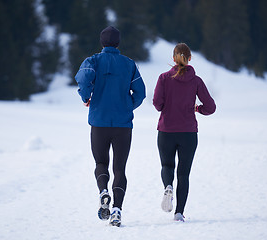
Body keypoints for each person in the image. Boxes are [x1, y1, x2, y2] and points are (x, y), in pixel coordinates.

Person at [75, 26, 146, 227]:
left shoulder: (93, 61)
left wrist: (86, 96)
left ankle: (103, 191)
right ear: (118, 43)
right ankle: (116, 211)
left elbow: (82, 78)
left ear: (102, 42)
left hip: (99, 122)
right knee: (120, 169)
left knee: (100, 163)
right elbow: (140, 92)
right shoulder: (129, 64)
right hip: (123, 125)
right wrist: (127, 106)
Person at [153, 43, 216, 221]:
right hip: (188, 133)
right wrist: (197, 109)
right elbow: (211, 107)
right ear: (189, 59)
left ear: (173, 58)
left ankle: (168, 186)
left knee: (167, 166)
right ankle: (179, 213)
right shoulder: (196, 81)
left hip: (166, 130)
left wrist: (168, 106)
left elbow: (157, 104)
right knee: (183, 173)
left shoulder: (164, 78)